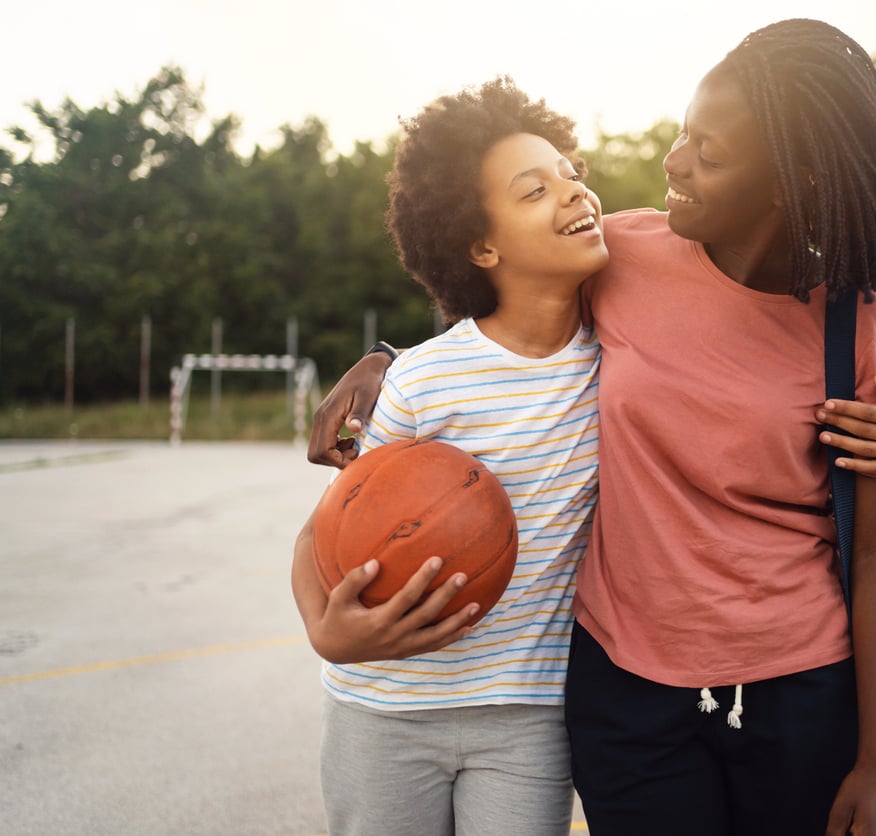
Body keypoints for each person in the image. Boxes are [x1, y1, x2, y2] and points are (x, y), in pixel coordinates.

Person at [308, 18, 876, 836]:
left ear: (791, 182)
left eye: (708, 153)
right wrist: (389, 361)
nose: (673, 161)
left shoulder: (858, 320)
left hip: (798, 690)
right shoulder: (626, 255)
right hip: (627, 691)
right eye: (684, 133)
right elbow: (509, 302)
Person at [291, 77, 609, 836]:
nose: (573, 191)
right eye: (535, 190)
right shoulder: (423, 380)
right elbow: (323, 532)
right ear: (481, 246)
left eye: (572, 173)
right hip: (385, 709)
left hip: (527, 713)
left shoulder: (622, 360)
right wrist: (325, 630)